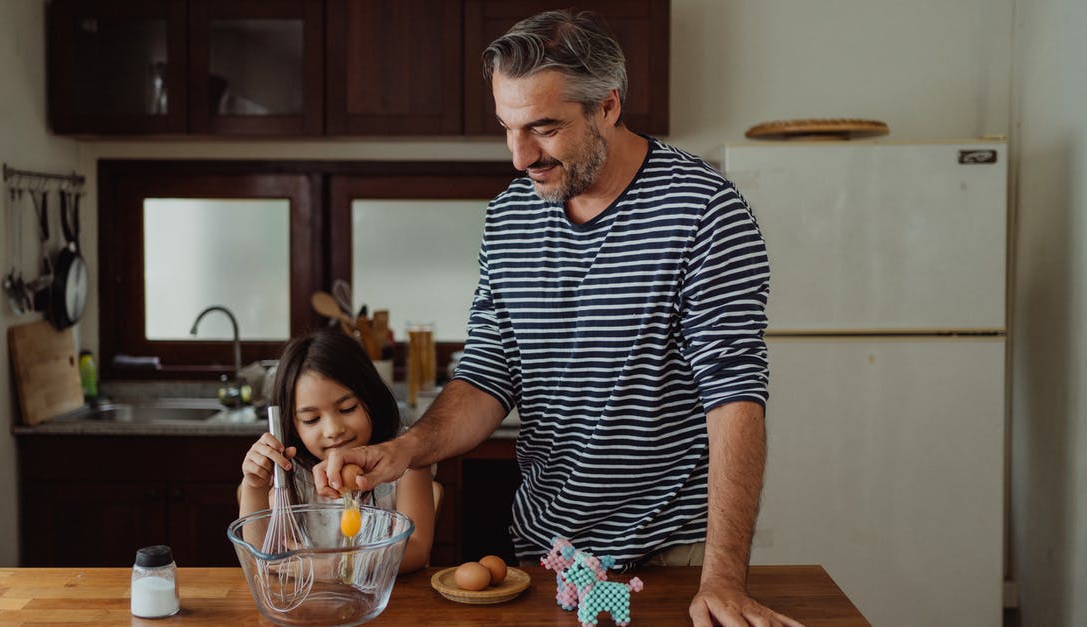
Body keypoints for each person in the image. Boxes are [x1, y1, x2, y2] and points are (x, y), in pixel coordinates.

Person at [315, 9, 800, 625]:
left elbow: (734, 397)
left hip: (673, 561)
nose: (520, 157)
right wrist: (406, 449)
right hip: (547, 558)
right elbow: (489, 374)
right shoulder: (510, 217)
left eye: (543, 128)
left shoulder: (703, 211)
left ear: (608, 106)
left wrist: (724, 578)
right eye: (507, 127)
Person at [239, 330, 435, 574]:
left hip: (388, 605)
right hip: (313, 607)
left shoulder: (405, 457)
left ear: (371, 397)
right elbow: (265, 557)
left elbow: (416, 550)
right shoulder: (292, 471)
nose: (333, 430)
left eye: (347, 408)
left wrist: (337, 569)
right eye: (311, 419)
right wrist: (254, 486)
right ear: (293, 425)